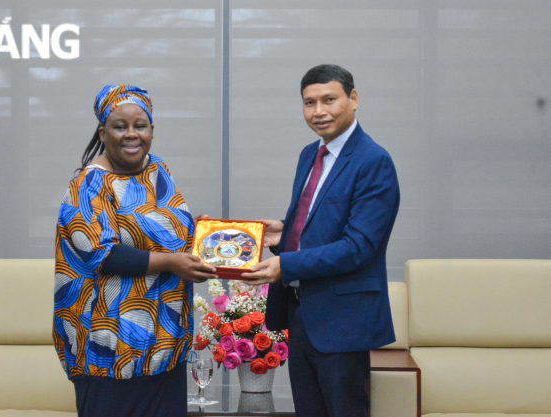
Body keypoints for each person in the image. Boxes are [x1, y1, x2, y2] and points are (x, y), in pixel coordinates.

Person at [243, 64, 400, 417]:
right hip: (302, 314)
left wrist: (286, 264)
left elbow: (359, 246)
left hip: (343, 320)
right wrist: (284, 235)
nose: (319, 112)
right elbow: (319, 223)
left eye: (329, 99)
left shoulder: (373, 161)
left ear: (353, 98)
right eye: (309, 102)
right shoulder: (309, 155)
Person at [53, 84, 217, 417]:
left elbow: (165, 230)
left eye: (140, 125)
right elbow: (104, 254)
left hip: (164, 348)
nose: (131, 134)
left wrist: (202, 235)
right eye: (120, 126)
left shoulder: (157, 171)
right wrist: (172, 261)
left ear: (152, 131)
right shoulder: (88, 184)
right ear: (103, 131)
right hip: (109, 352)